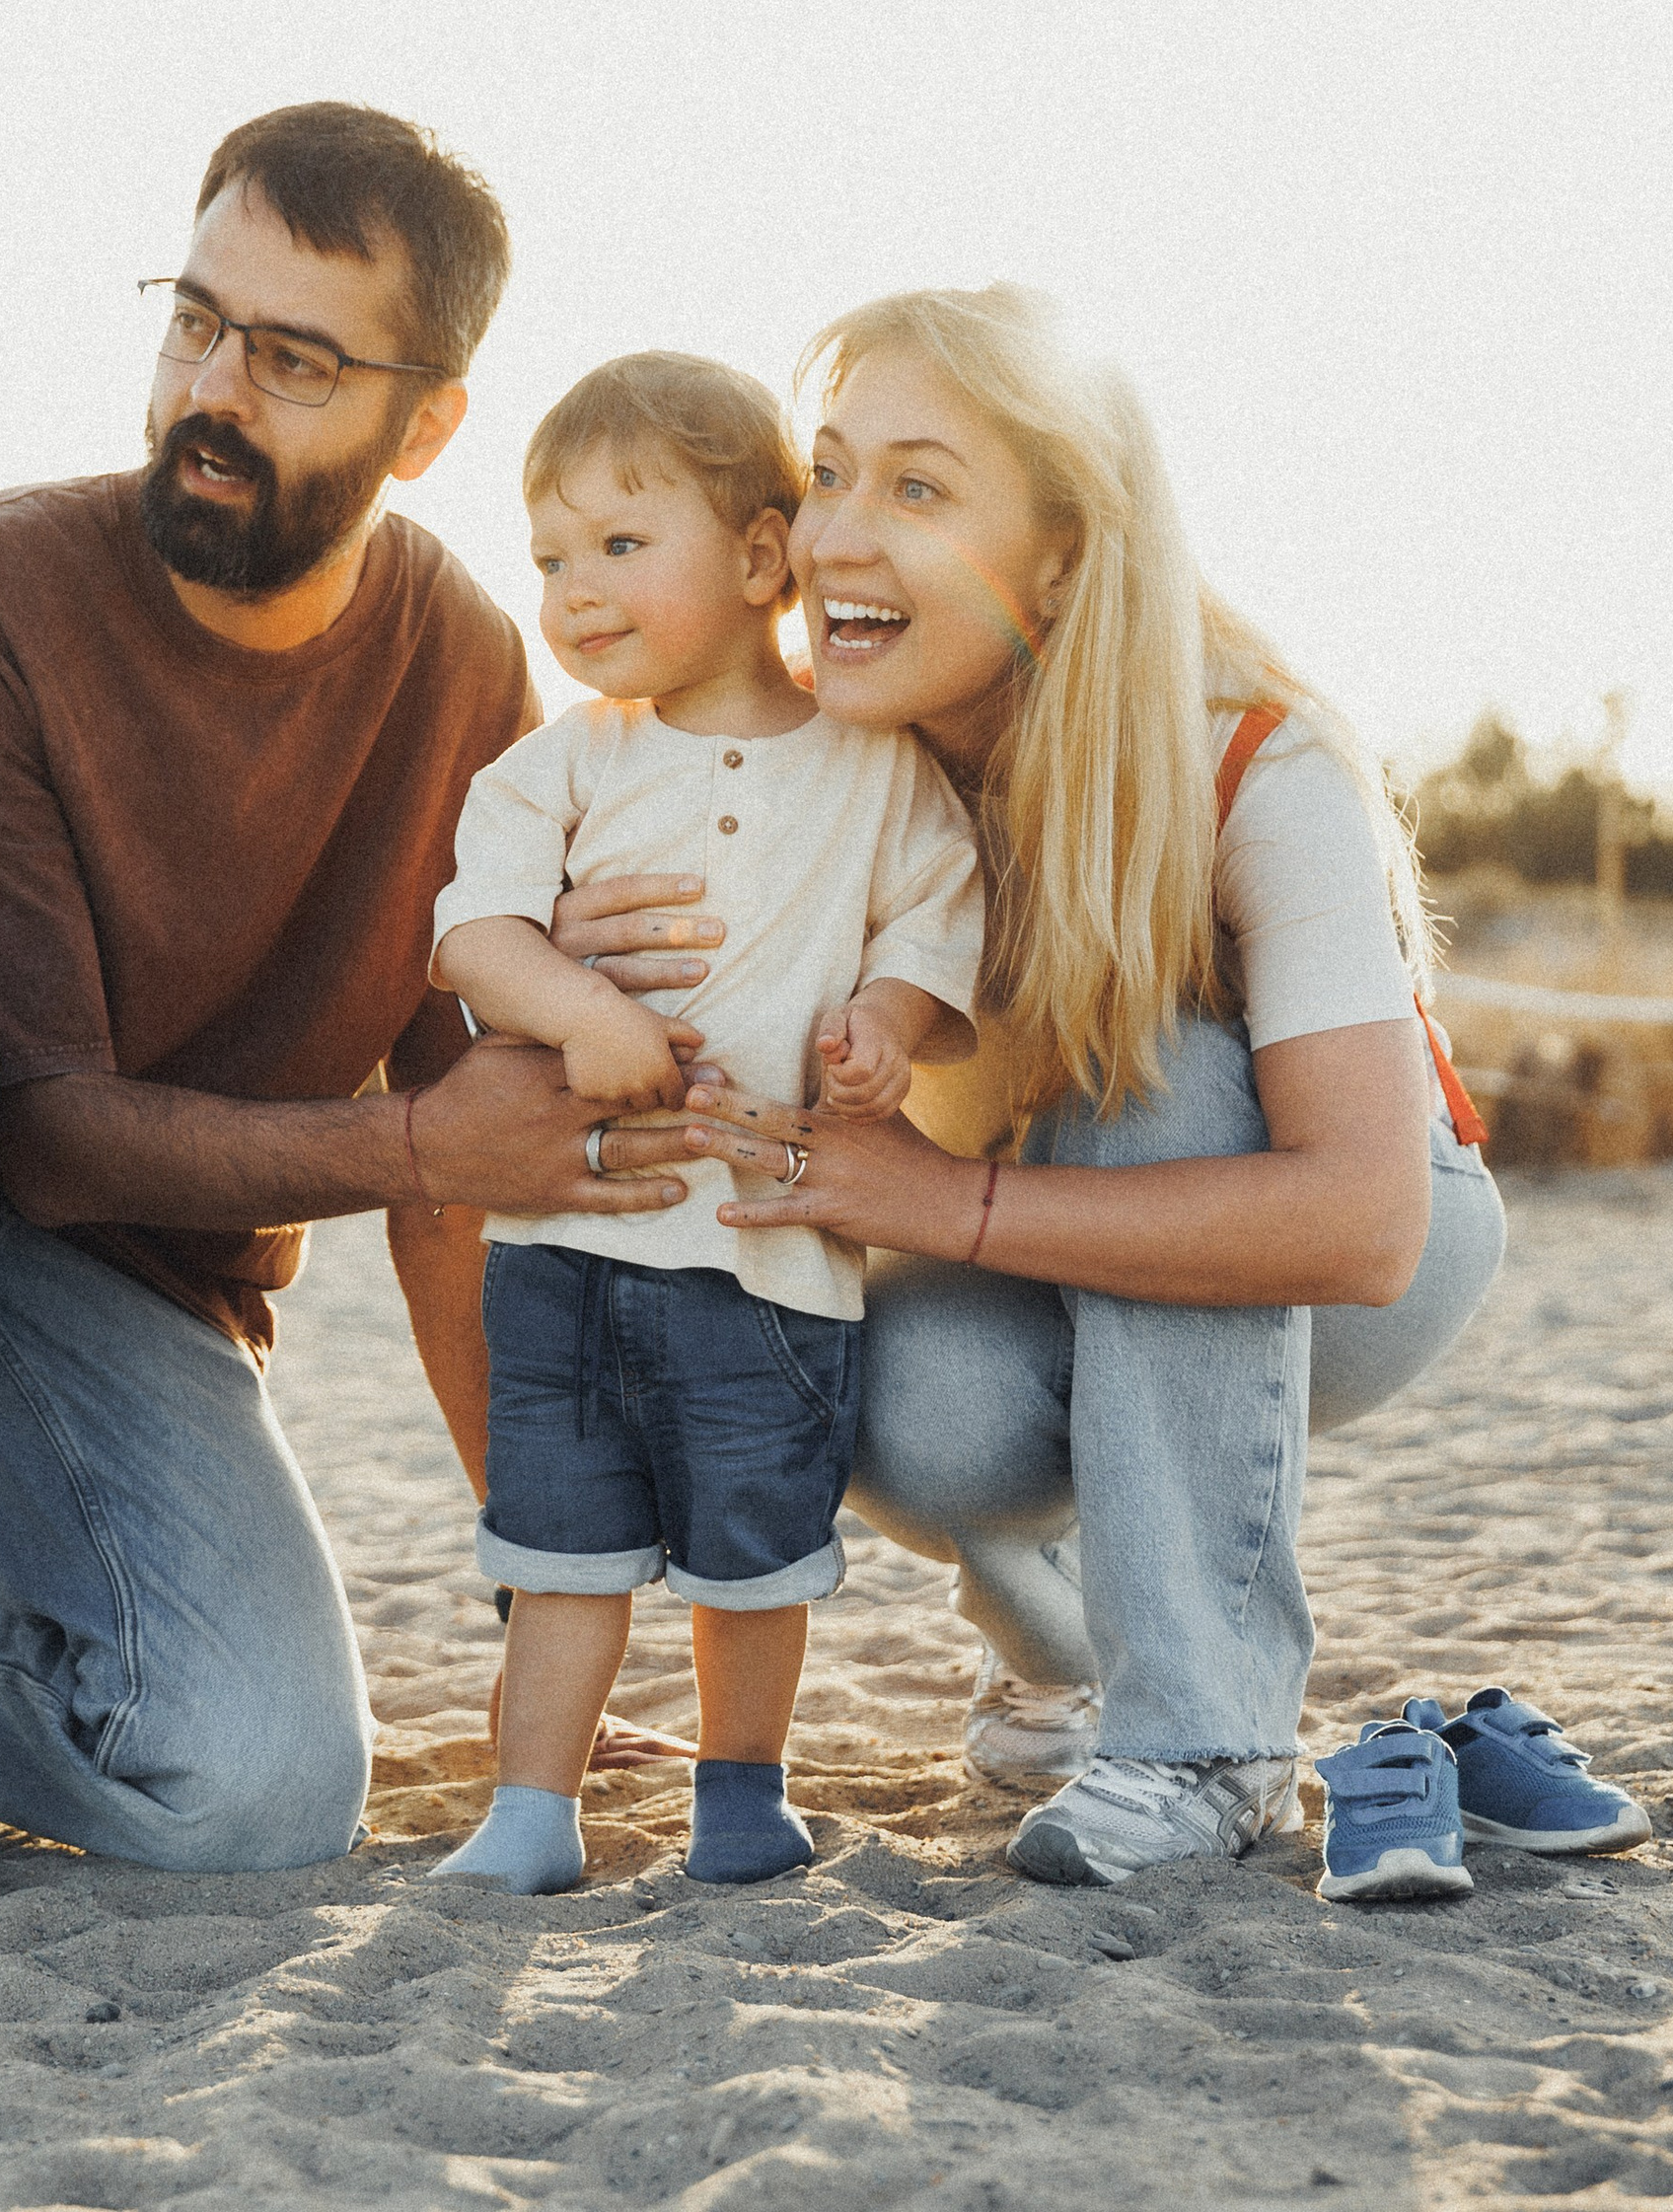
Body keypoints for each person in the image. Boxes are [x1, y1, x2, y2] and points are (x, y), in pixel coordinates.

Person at [0, 103, 692, 1928]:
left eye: (295, 359)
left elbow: (464, 1168)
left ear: (427, 422)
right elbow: (46, 1134)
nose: (210, 393)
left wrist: (535, 1595)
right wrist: (417, 1141)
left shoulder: (467, 665)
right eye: (196, 320)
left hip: (100, 1305)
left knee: (261, 1793)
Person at [559, 281, 1543, 1899]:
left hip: (1370, 1240)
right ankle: (1063, 1640)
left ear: (1067, 552)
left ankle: (1207, 1741)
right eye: (829, 473)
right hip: (1045, 1248)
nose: (832, 539)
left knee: (1145, 1074)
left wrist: (941, 1199)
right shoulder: (824, 768)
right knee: (877, 1400)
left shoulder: (1255, 762)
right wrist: (588, 947)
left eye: (919, 488)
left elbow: (1360, 1224)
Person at [426, 354, 982, 1893]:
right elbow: (472, 934)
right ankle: (532, 1810)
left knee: (753, 1543)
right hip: (570, 1241)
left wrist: (889, 1027)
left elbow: (936, 926)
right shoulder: (561, 763)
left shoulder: (878, 768)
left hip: (768, 1252)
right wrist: (579, 1010)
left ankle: (743, 1789)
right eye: (547, 556)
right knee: (563, 1547)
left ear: (755, 558)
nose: (573, 589)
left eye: (619, 544)